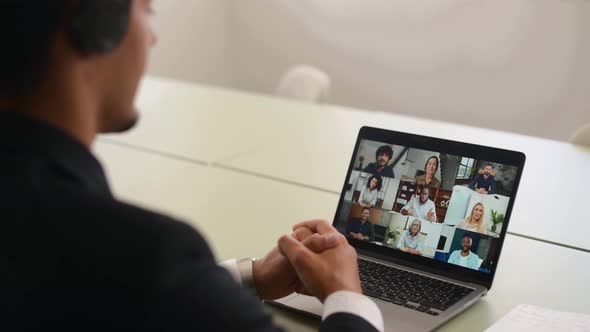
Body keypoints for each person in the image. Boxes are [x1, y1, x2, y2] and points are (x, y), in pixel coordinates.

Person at [0, 2, 383, 331]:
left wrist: (245, 278)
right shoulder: (148, 257)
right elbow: (131, 281)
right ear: (94, 22)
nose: (152, 38)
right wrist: (346, 297)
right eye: (146, 10)